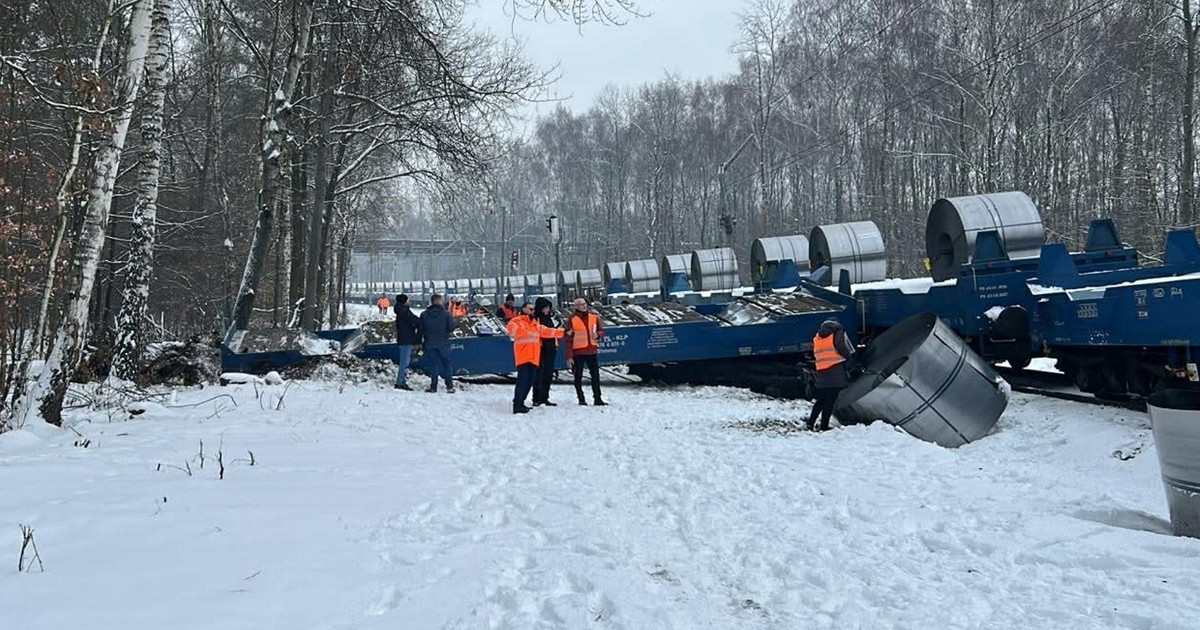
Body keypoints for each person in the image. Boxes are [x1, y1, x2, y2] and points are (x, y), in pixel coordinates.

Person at [506, 301, 564, 414]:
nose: (532, 311)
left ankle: (520, 402)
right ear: (523, 309)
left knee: (529, 381)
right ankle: (517, 404)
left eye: (533, 309)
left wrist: (563, 332)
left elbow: (547, 331)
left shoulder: (534, 323)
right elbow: (511, 331)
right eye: (530, 309)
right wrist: (529, 331)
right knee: (523, 381)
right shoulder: (516, 321)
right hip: (523, 356)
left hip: (534, 357)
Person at [806, 318, 855, 432]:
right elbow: (841, 345)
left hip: (822, 369)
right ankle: (824, 426)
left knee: (821, 398)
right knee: (830, 399)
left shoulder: (818, 335)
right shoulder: (837, 331)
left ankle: (811, 422)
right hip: (834, 368)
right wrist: (849, 357)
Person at [565, 297, 606, 406]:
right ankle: (581, 398)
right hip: (578, 352)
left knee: (595, 376)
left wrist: (597, 335)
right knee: (578, 376)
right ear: (576, 307)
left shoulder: (593, 317)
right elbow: (568, 339)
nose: (583, 306)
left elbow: (601, 331)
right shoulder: (572, 320)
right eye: (580, 304)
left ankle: (598, 398)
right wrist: (569, 356)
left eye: (584, 304)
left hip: (591, 351)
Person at [418, 293, 456, 393]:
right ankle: (449, 387)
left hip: (429, 343)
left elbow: (420, 330)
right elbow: (451, 328)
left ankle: (433, 387)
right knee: (447, 364)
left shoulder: (424, 314)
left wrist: (418, 343)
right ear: (439, 301)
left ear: (431, 301)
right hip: (444, 343)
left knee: (433, 364)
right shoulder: (447, 314)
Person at [531, 297, 561, 406]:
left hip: (551, 348)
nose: (547, 309)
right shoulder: (536, 319)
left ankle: (544, 397)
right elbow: (544, 332)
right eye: (545, 307)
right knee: (539, 374)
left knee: (548, 374)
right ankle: (537, 397)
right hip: (540, 349)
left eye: (548, 307)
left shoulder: (549, 318)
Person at [392, 294, 421, 390]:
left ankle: (401, 381)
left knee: (404, 361)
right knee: (404, 362)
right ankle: (400, 382)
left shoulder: (400, 310)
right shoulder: (404, 311)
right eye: (408, 300)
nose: (410, 301)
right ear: (404, 301)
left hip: (403, 338)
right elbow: (415, 321)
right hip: (406, 339)